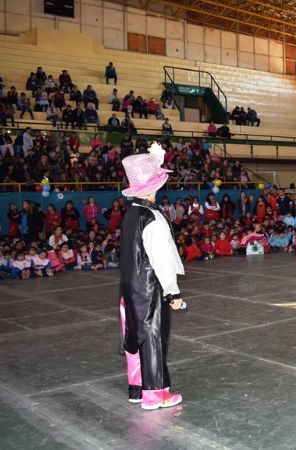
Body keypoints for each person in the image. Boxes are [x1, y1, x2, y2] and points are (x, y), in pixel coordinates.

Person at [119, 141, 185, 410]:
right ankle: (156, 394)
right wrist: (173, 291)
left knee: (134, 338)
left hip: (130, 287)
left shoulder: (131, 213)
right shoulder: (152, 217)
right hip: (149, 287)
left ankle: (137, 389)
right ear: (154, 186)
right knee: (153, 337)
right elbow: (160, 258)